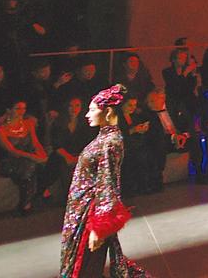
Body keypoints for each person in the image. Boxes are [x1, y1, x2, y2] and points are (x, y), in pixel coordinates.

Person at [58, 84, 148, 277]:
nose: (87, 115)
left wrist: (98, 229)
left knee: (84, 269)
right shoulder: (104, 137)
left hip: (90, 215)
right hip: (81, 212)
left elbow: (108, 183)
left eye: (92, 110)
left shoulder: (110, 142)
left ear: (107, 112)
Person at [0, 101, 48, 216]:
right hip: (10, 161)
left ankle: (30, 200)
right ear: (9, 110)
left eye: (23, 109)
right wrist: (33, 157)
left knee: (41, 163)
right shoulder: (0, 129)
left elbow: (35, 142)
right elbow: (11, 151)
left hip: (28, 158)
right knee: (29, 166)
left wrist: (42, 155)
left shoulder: (28, 123)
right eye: (18, 109)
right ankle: (27, 202)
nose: (21, 112)